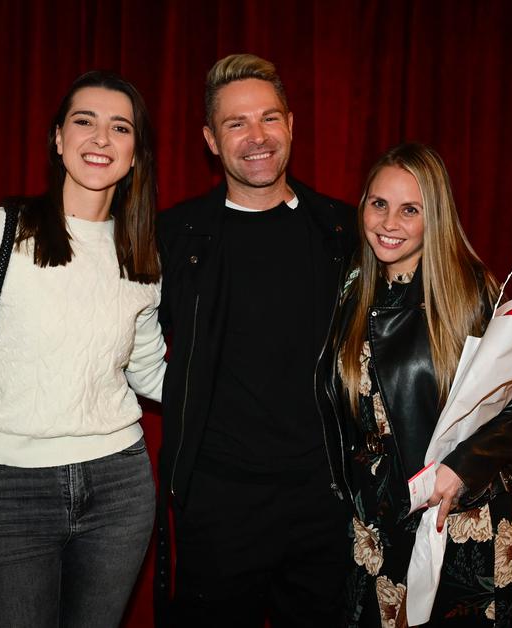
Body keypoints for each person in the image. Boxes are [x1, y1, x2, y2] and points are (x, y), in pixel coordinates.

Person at [0, 71, 165, 627]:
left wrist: (243, 390)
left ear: (135, 153)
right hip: (8, 490)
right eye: (85, 121)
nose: (101, 138)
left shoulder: (142, 250)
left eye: (120, 127)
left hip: (120, 488)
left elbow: (149, 370)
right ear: (58, 138)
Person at [154, 53, 357, 627]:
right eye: (236, 123)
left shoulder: (343, 232)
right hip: (219, 504)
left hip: (325, 501)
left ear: (291, 124)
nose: (257, 137)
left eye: (269, 118)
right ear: (210, 140)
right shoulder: (175, 236)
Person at [325, 143, 512, 626]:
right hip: (374, 533)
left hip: (458, 526)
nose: (389, 222)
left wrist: (463, 469)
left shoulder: (471, 291)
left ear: (434, 216)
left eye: (410, 210)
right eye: (379, 203)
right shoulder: (350, 288)